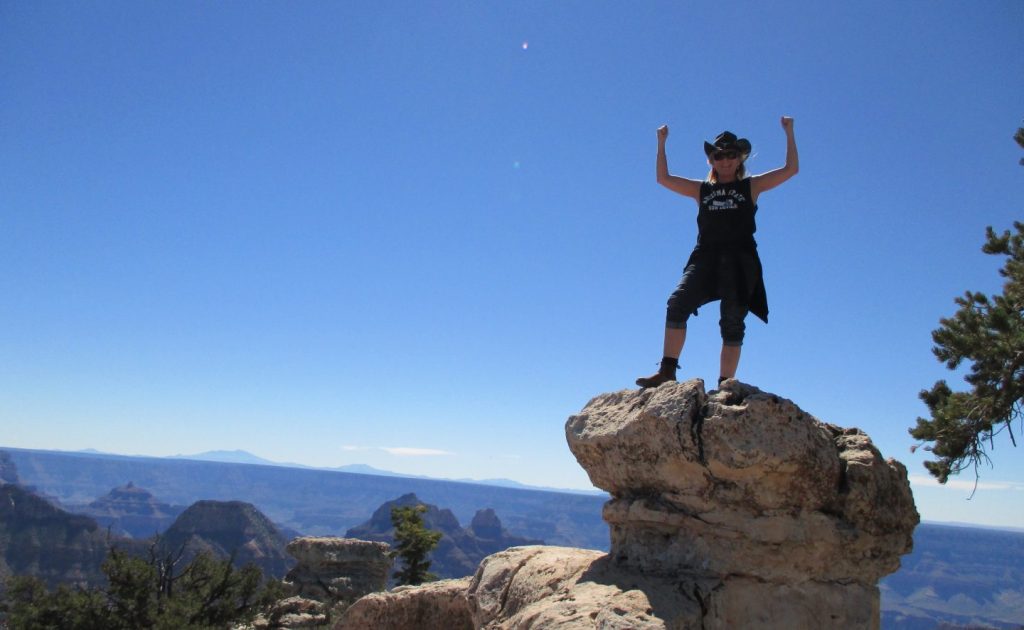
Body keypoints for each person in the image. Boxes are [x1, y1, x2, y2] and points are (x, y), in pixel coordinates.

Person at [636, 117, 799, 389]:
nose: (725, 161)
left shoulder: (751, 186)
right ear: (711, 160)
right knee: (678, 302)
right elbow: (663, 178)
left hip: (740, 260)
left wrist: (789, 132)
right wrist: (661, 143)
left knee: (732, 321)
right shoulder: (702, 190)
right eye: (719, 155)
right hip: (706, 257)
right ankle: (666, 371)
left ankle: (725, 385)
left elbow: (790, 169)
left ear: (740, 159)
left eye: (731, 155)